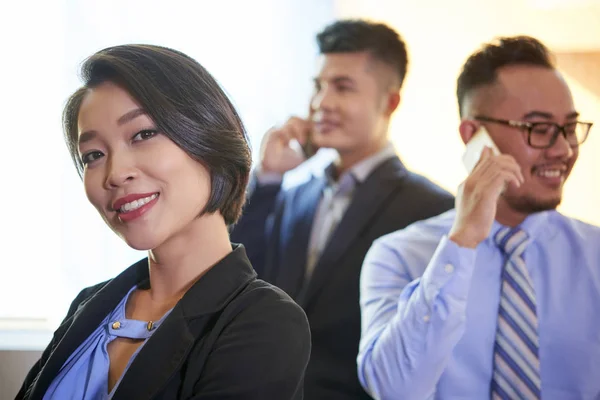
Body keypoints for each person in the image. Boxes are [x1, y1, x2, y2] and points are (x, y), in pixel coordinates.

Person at [17, 44, 311, 400]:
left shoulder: (264, 322)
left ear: (208, 137)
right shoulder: (90, 303)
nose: (115, 173)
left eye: (142, 134)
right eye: (94, 155)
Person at [357, 35, 598, 399]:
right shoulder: (398, 255)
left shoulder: (595, 254)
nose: (563, 149)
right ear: (474, 135)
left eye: (569, 128)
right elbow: (393, 389)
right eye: (539, 129)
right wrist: (462, 242)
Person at [230, 20, 454, 399]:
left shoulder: (433, 209)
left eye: (343, 87)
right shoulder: (292, 195)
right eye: (318, 86)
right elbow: (239, 279)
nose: (321, 103)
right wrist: (266, 177)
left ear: (390, 101)